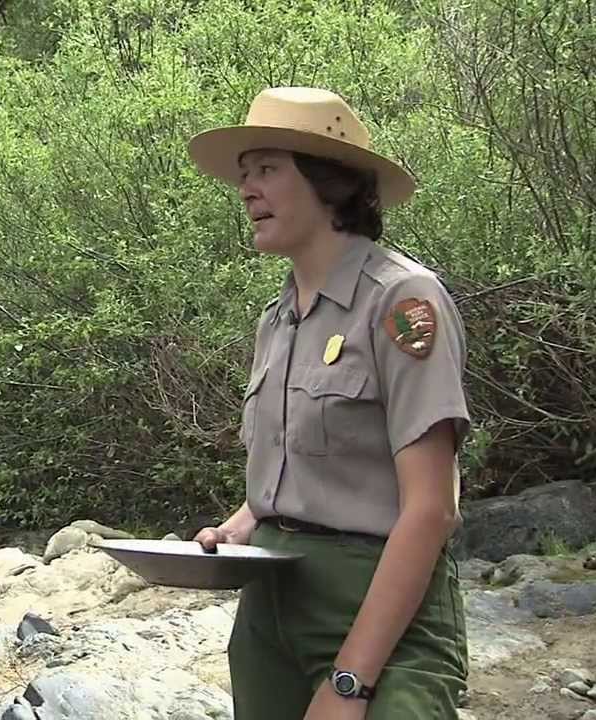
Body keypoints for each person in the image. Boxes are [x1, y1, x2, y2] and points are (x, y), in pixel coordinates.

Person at [187, 87, 470, 719]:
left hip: (383, 616)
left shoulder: (402, 302)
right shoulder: (278, 318)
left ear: (330, 183)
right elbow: (305, 465)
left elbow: (431, 509)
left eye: (267, 169)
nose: (247, 190)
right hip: (271, 615)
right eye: (244, 174)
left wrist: (351, 682)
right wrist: (241, 524)